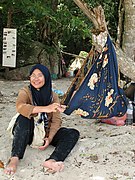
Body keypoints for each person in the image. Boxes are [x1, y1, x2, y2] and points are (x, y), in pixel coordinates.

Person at [4, 64, 80, 175]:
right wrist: (46, 108)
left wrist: (49, 138)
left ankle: (51, 160)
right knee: (24, 117)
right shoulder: (25, 91)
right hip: (26, 132)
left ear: (46, 77)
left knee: (72, 133)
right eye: (33, 75)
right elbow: (20, 107)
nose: (36, 79)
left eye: (40, 75)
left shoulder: (53, 96)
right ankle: (15, 158)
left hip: (44, 133)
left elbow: (56, 120)